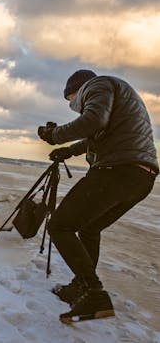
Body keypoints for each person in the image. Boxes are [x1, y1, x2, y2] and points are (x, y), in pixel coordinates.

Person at [37, 69, 159, 323]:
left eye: (70, 100)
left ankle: (93, 292)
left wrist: (54, 135)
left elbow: (93, 121)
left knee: (60, 225)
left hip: (117, 171)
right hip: (141, 178)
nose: (72, 106)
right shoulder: (116, 92)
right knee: (90, 228)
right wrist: (67, 151)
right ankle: (80, 287)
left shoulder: (97, 84)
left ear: (75, 90)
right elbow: (97, 135)